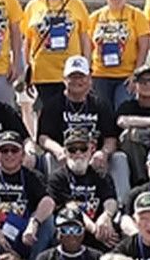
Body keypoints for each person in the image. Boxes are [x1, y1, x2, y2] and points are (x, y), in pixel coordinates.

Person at [34, 56, 125, 189]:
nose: (77, 81)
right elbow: (43, 137)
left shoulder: (100, 104)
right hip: (66, 155)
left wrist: (104, 153)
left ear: (89, 79)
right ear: (64, 79)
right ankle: (53, 199)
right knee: (49, 157)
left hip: (94, 157)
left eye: (81, 77)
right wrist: (58, 150)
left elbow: (111, 137)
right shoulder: (53, 105)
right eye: (73, 77)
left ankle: (121, 204)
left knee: (119, 158)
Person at [23, 0, 91, 116]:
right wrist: (27, 68)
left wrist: (87, 67)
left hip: (71, 71)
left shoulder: (76, 4)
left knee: (70, 114)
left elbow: (84, 39)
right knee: (46, 116)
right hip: (43, 72)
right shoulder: (33, 6)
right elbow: (27, 40)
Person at [0, 132, 56, 255]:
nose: (9, 154)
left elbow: (49, 202)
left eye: (14, 150)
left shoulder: (33, 176)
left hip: (25, 230)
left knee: (49, 220)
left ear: (23, 154)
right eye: (4, 150)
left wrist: (33, 223)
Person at [46, 130, 120, 248]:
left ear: (91, 149)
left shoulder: (101, 175)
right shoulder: (57, 178)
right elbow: (72, 207)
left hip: (100, 228)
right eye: (72, 149)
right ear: (65, 152)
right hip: (71, 231)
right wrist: (95, 231)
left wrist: (106, 216)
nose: (78, 153)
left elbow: (110, 200)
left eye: (83, 148)